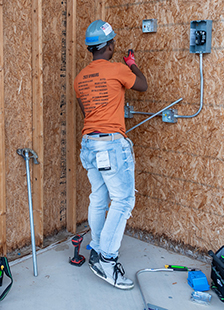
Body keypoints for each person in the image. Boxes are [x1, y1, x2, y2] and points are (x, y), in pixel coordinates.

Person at [73, 20, 148, 289]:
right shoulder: (118, 69)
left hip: (89, 143)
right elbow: (142, 85)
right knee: (123, 200)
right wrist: (131, 63)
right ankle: (107, 260)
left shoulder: (80, 79)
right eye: (114, 42)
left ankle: (97, 247)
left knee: (99, 196)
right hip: (111, 145)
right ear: (110, 46)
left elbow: (87, 113)